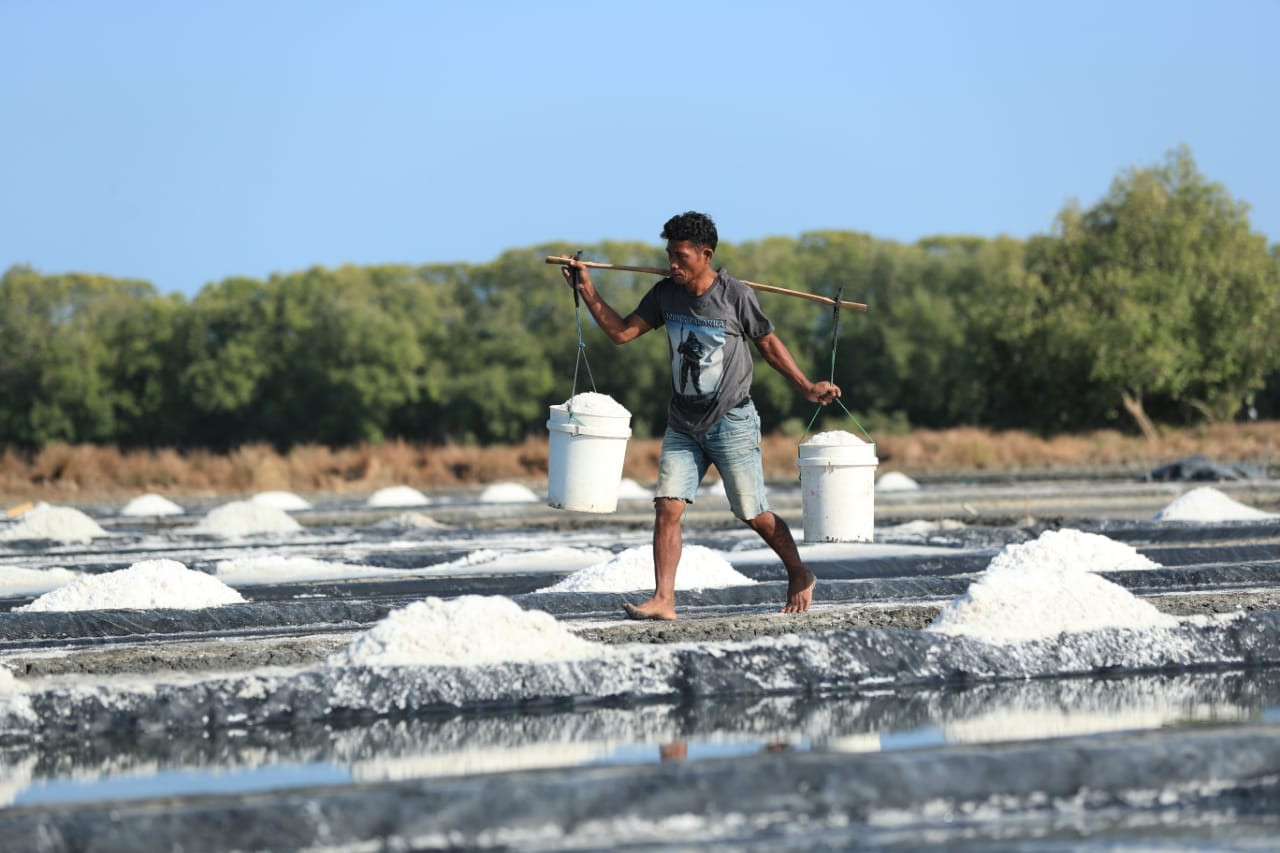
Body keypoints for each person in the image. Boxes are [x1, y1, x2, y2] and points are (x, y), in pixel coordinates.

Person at [561, 211, 841, 621]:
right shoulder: (664, 296)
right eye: (669, 255)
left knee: (753, 514)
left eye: (681, 256)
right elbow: (621, 333)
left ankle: (799, 571)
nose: (673, 264)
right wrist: (587, 288)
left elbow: (768, 345)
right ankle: (664, 599)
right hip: (682, 422)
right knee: (667, 508)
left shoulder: (735, 295)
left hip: (731, 419)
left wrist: (805, 386)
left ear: (705, 254)